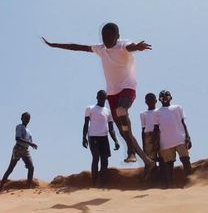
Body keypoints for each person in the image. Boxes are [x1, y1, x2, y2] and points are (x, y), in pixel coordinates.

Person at [43, 22, 155, 177]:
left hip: (128, 87)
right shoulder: (101, 49)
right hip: (112, 93)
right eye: (103, 37)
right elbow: (77, 47)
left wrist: (137, 47)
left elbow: (131, 47)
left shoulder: (123, 45)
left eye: (109, 36)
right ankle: (146, 161)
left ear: (117, 36)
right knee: (124, 132)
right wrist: (55, 45)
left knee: (121, 111)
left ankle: (131, 151)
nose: (106, 40)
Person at [153, 90, 192, 188]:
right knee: (169, 165)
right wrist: (156, 143)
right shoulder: (157, 112)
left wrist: (188, 136)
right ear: (159, 100)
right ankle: (171, 185)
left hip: (180, 139)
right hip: (165, 143)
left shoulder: (178, 108)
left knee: (186, 161)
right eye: (162, 97)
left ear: (171, 97)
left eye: (167, 96)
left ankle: (191, 183)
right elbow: (156, 129)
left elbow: (183, 123)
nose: (165, 98)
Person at [83, 90, 120, 187]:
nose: (101, 98)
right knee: (96, 157)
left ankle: (103, 182)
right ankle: (94, 183)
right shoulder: (90, 108)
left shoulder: (108, 111)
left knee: (105, 159)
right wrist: (84, 137)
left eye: (103, 97)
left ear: (106, 98)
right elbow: (86, 124)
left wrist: (115, 140)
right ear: (96, 97)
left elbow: (111, 129)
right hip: (93, 136)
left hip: (104, 137)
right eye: (100, 96)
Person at [0, 112, 38, 191]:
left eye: (28, 118)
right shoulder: (19, 126)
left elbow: (29, 141)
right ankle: (1, 186)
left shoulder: (29, 130)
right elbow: (17, 138)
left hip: (26, 150)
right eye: (25, 118)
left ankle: (28, 187)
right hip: (18, 149)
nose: (27, 120)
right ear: (21, 118)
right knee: (11, 168)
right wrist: (30, 143)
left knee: (31, 167)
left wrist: (31, 144)